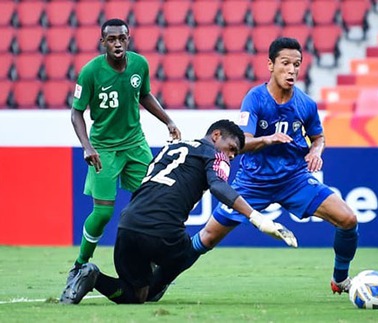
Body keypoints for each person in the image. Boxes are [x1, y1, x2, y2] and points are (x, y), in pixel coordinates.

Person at [164, 37, 359, 295]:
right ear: (270, 64)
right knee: (207, 237)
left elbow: (318, 136)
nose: (292, 70)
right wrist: (268, 139)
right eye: (285, 63)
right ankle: (162, 278)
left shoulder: (306, 104)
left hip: (294, 180)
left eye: (297, 64)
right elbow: (240, 143)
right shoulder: (254, 99)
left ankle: (340, 279)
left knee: (348, 219)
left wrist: (316, 150)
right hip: (252, 182)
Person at [61, 120, 297, 304]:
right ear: (216, 136)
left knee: (135, 295)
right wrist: (255, 217)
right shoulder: (215, 155)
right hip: (162, 232)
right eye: (231, 148)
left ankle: (92, 275)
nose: (232, 156)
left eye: (235, 153)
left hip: (128, 226)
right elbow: (218, 185)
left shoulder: (171, 146)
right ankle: (157, 283)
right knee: (193, 249)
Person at [60, 18, 181, 303]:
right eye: (111, 39)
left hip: (136, 145)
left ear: (129, 39)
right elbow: (76, 113)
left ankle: (151, 265)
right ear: (103, 42)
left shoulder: (139, 65)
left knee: (153, 204)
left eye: (121, 38)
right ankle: (79, 265)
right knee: (102, 214)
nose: (117, 43)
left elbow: (145, 95)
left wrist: (168, 121)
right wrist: (87, 147)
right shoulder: (90, 72)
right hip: (103, 148)